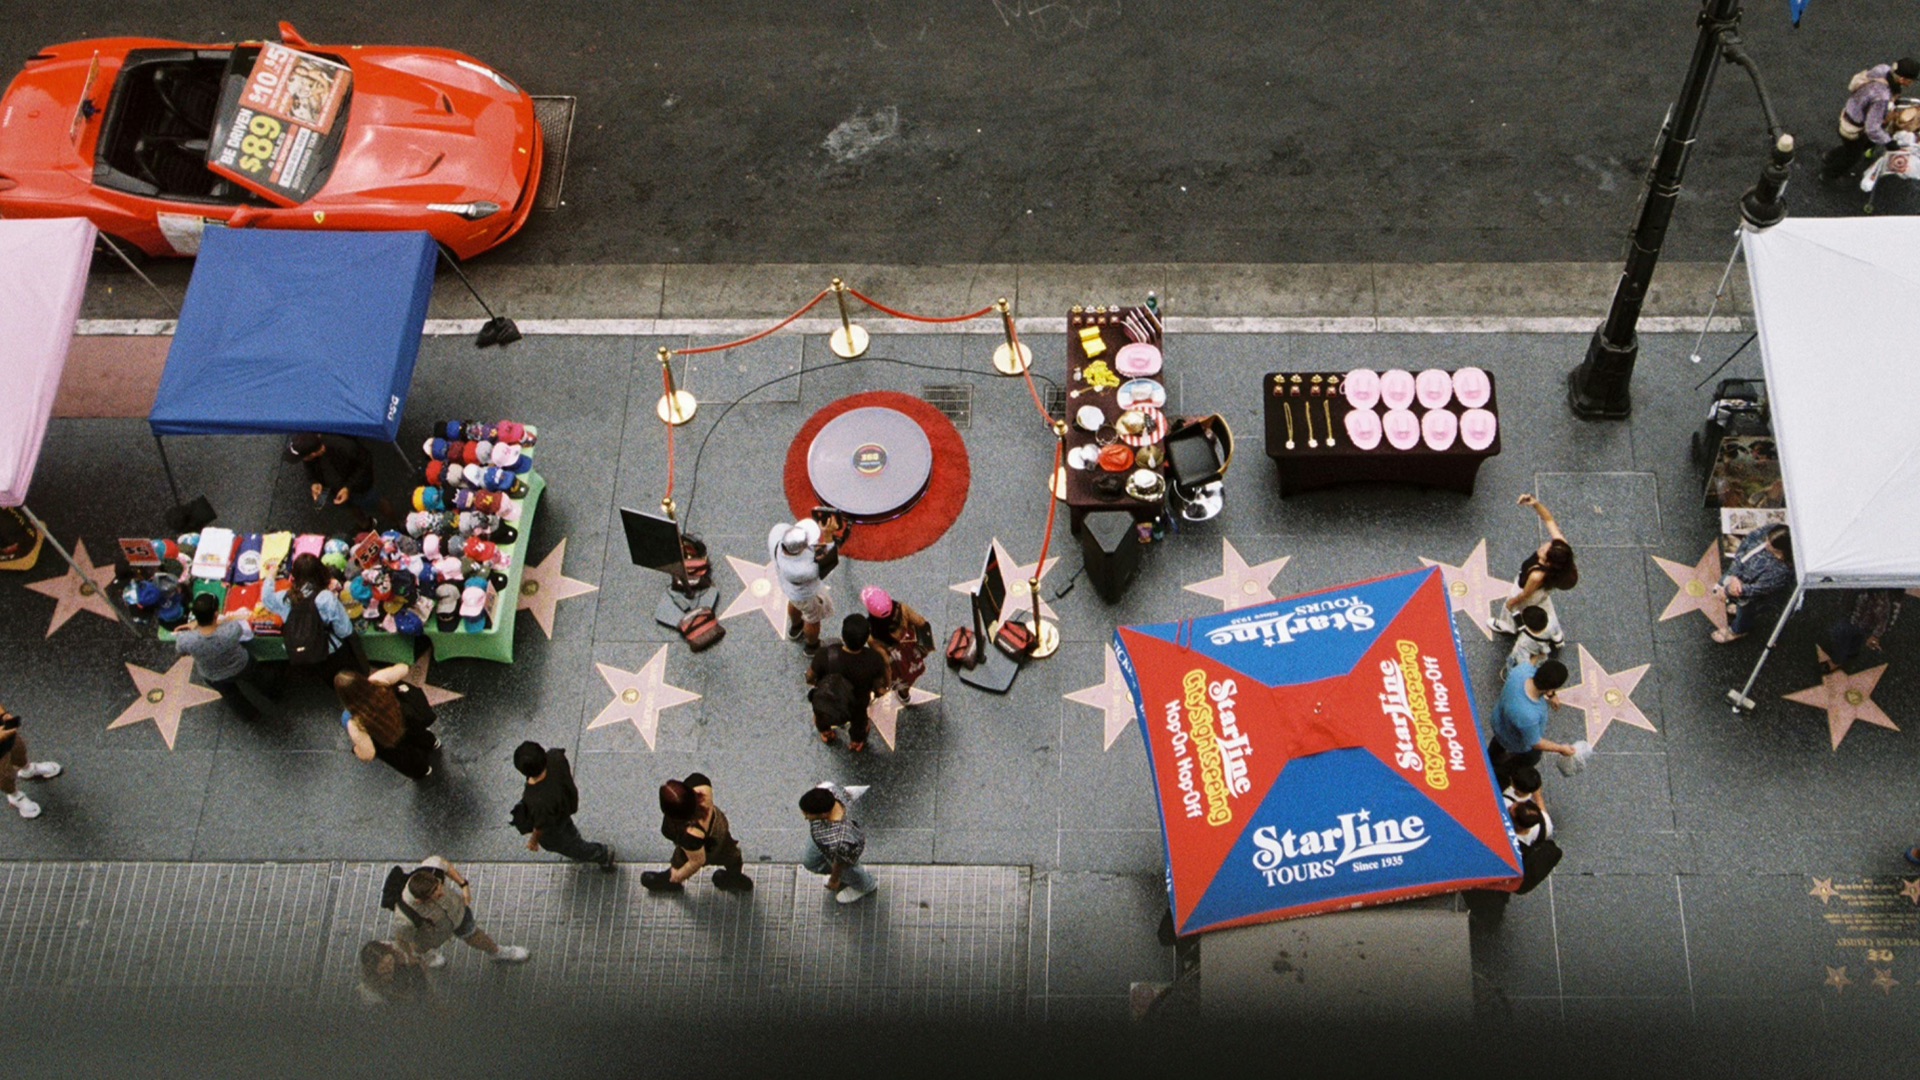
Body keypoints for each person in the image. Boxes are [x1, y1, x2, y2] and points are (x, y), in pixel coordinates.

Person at [391, 856, 529, 966]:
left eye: (439, 886)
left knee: (473, 934)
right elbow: (403, 937)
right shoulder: (406, 917)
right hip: (431, 934)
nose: (442, 892)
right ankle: (427, 956)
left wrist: (463, 884)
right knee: (420, 947)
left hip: (457, 914)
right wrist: (409, 956)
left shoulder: (430, 872)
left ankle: (497, 952)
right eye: (436, 894)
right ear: (420, 901)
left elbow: (443, 863)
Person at [640, 774, 753, 893]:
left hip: (702, 848)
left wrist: (678, 875)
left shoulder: (687, 835)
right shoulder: (700, 783)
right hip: (720, 831)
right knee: (732, 857)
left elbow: (697, 861)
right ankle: (734, 879)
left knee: (680, 862)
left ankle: (668, 883)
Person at [512, 741, 615, 871]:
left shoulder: (537, 800)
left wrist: (533, 841)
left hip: (554, 828)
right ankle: (579, 841)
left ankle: (603, 854)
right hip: (565, 806)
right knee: (569, 832)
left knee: (571, 846)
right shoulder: (555, 757)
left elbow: (541, 826)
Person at [263, 553, 367, 680]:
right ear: (321, 572)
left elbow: (266, 598)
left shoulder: (284, 599)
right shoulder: (325, 598)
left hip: (304, 653)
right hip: (330, 652)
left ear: (294, 576)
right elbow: (345, 630)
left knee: (328, 678)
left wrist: (271, 575)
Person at [1489, 494, 1577, 644]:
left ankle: (1507, 626)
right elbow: (1549, 520)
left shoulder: (1536, 575)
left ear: (1548, 563)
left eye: (1544, 552)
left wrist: (1512, 602)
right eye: (1548, 545)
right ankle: (1556, 634)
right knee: (1547, 607)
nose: (1544, 546)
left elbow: (1525, 594)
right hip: (1543, 591)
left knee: (1516, 605)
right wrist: (1536, 504)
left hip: (1529, 589)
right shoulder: (1561, 549)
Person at [175, 592, 275, 721]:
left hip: (213, 675)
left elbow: (181, 651)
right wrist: (226, 619)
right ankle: (273, 694)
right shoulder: (231, 630)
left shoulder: (186, 640)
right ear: (216, 614)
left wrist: (194, 626)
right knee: (259, 679)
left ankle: (250, 716)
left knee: (232, 697)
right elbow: (237, 626)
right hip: (241, 665)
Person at [334, 664, 439, 780]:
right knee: (421, 735)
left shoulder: (355, 724)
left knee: (409, 761)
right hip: (404, 720)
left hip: (389, 740)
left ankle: (424, 771)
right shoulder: (378, 680)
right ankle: (433, 743)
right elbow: (404, 668)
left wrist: (356, 750)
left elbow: (368, 754)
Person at [1820, 58, 1919, 181]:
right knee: (1852, 157)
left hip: (1850, 110)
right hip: (1854, 128)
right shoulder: (1882, 98)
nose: (1912, 84)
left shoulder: (1883, 69)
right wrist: (1889, 142)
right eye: (1911, 81)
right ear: (1902, 79)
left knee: (1854, 147)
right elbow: (1872, 129)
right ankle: (1828, 175)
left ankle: (1829, 156)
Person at [807, 613, 890, 752]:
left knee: (822, 714)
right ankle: (856, 742)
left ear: (843, 635)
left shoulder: (825, 654)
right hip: (857, 704)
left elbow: (810, 677)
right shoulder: (874, 659)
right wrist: (880, 690)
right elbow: (878, 685)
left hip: (828, 701)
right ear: (865, 640)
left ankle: (826, 732)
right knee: (860, 723)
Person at [1488, 659, 1577, 786]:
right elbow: (1535, 742)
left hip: (1500, 722)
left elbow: (1533, 660)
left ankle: (1489, 760)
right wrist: (1561, 748)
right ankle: (1500, 778)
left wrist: (1551, 694)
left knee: (1496, 747)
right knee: (1522, 762)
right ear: (1549, 688)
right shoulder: (1529, 716)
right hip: (1516, 743)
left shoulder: (1521, 671)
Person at [767, 513, 847, 654]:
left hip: (789, 589)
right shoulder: (807, 569)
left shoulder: (777, 534)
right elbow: (828, 563)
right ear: (801, 550)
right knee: (812, 620)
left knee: (794, 604)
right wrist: (828, 536)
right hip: (807, 595)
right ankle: (812, 646)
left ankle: (796, 627)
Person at [287, 433, 390, 531]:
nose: (303, 460)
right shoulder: (308, 453)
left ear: (314, 453)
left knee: (374, 501)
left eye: (303, 457)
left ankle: (397, 523)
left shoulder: (344, 446)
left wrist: (348, 488)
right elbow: (309, 468)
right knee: (350, 507)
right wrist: (314, 482)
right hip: (333, 489)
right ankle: (365, 524)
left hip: (358, 487)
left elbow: (365, 463)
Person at [1711, 524, 1793, 644]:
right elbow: (1745, 545)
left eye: (1771, 545)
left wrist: (1728, 591)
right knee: (1741, 605)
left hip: (1753, 594)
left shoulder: (1782, 570)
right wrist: (1734, 576)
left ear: (1781, 552)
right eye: (1767, 540)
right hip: (1740, 579)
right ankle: (1738, 608)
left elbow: (1757, 589)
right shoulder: (1769, 531)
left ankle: (1738, 630)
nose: (1766, 544)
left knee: (1747, 610)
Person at [799, 783, 877, 905]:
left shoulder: (842, 841)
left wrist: (834, 879)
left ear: (824, 815)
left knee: (850, 871)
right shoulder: (827, 790)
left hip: (840, 855)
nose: (805, 817)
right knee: (811, 862)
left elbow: (840, 862)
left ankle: (866, 885)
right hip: (822, 841)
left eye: (808, 814)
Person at [861, 586, 933, 703]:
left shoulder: (872, 636)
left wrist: (887, 685)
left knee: (902, 678)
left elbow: (886, 663)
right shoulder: (903, 609)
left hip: (898, 663)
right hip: (911, 652)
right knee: (911, 676)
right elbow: (921, 622)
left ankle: (903, 692)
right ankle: (905, 694)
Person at [0, 702, 60, 820]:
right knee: (5, 776)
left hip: (7, 736)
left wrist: (3, 715)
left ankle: (28, 769)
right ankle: (15, 796)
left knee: (19, 750)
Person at [1825, 590, 1902, 672]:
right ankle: (1852, 651)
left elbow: (1883, 620)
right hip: (1859, 619)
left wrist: (1875, 636)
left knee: (1840, 636)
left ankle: (1837, 661)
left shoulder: (1879, 597)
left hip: (1857, 620)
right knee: (1857, 636)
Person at [357, 940, 431, 1006]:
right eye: (383, 968)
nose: (390, 968)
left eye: (390, 962)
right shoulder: (371, 988)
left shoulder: (397, 953)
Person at [1506, 604, 1556, 672]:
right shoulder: (1551, 622)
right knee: (1539, 663)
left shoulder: (1524, 641)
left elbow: (1524, 663)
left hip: (1528, 651)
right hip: (1542, 649)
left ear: (1527, 625)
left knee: (1515, 661)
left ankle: (1511, 671)